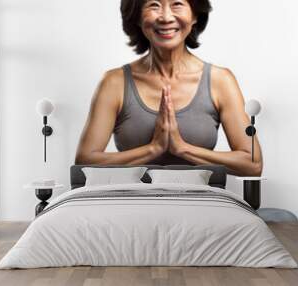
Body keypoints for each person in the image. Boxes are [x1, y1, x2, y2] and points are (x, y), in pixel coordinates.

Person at [75, 0, 263, 176]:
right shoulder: (114, 82)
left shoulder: (220, 80)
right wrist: (153, 148)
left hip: (199, 205)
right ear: (138, 17)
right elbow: (84, 162)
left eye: (177, 4)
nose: (166, 17)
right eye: (154, 5)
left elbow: (252, 164)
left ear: (195, 15)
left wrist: (183, 148)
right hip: (132, 203)